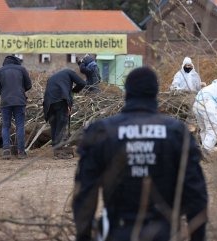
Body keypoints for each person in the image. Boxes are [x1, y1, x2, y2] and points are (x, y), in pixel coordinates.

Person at [73, 67, 208, 241]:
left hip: (117, 231)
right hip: (163, 232)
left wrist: (83, 236)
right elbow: (196, 194)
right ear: (155, 93)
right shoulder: (177, 133)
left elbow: (85, 192)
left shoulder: (103, 131)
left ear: (127, 92)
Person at [43, 69, 86, 159]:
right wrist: (73, 91)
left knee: (54, 126)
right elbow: (82, 83)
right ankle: (58, 151)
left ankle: (56, 150)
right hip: (61, 100)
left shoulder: (54, 77)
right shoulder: (70, 72)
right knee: (61, 125)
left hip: (48, 103)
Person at [0, 55, 32, 160]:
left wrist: (6, 92)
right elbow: (29, 85)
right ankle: (21, 152)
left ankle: (6, 150)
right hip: (19, 101)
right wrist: (20, 90)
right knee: (20, 125)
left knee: (5, 126)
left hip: (5, 101)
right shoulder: (21, 69)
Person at [193, 79, 217, 152]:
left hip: (196, 105)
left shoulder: (211, 86)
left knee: (204, 128)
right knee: (214, 129)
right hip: (208, 105)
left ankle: (205, 147)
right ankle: (205, 151)